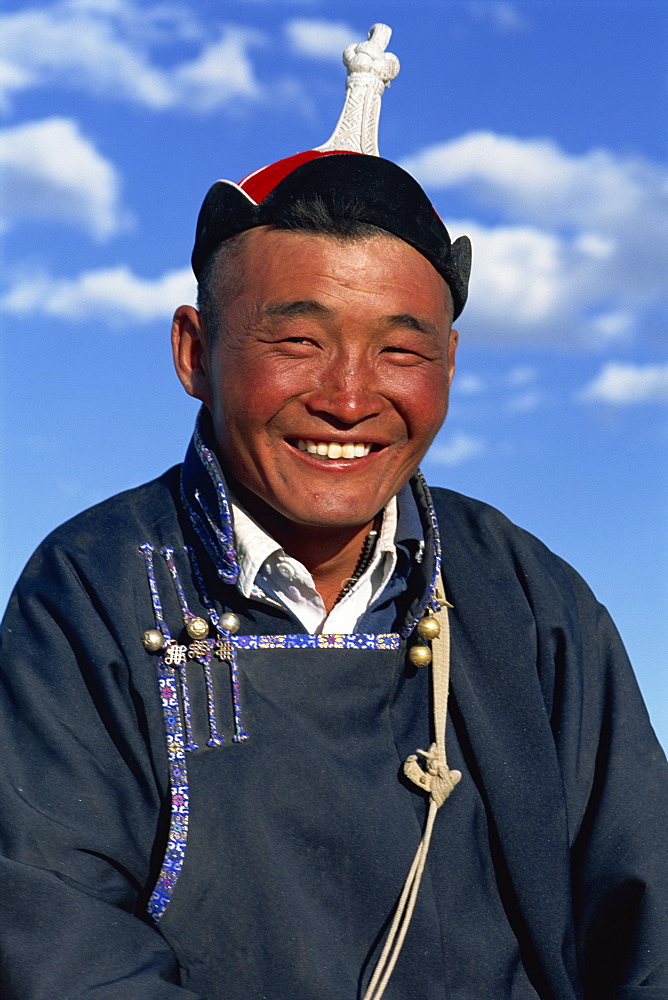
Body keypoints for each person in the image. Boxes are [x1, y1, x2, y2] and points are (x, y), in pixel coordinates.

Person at [0, 24, 665, 1000]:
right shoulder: (93, 589)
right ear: (194, 350)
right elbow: (59, 945)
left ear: (447, 368)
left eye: (400, 351)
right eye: (298, 339)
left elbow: (644, 921)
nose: (349, 399)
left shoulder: (525, 598)